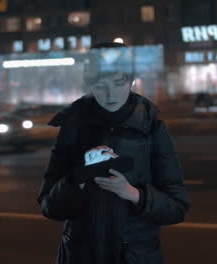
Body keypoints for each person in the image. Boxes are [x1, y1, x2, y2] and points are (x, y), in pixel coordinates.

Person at [37, 42, 190, 264]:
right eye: (100, 85)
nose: (110, 94)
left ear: (131, 81)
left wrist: (132, 194)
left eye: (119, 83)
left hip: (135, 256)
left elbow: (177, 208)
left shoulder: (152, 127)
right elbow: (49, 207)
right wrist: (78, 177)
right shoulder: (73, 126)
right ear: (90, 85)